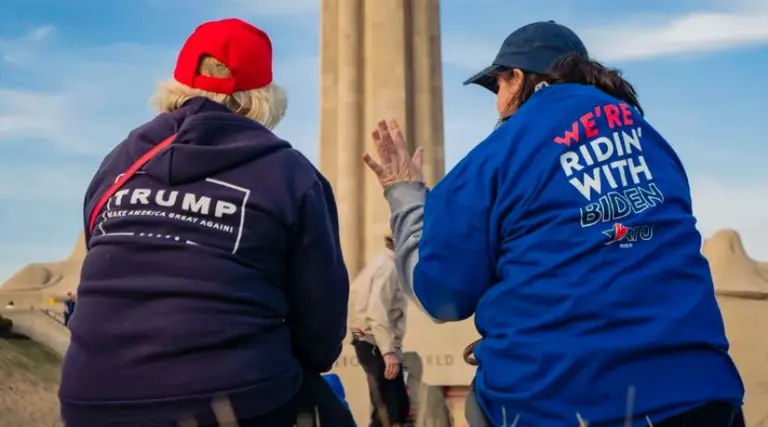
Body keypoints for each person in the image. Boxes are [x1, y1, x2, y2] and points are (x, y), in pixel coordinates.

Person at [362, 20, 744, 427]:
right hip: (705, 396)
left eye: (498, 86)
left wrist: (404, 193)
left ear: (519, 78)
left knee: (480, 405)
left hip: (559, 404)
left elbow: (440, 291)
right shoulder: (653, 142)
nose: (498, 103)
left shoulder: (499, 155)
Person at [59, 18, 353, 427]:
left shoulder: (118, 163)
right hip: (235, 400)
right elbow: (320, 334)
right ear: (263, 98)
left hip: (88, 402)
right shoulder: (290, 174)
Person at [349, 236, 409, 427]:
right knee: (389, 412)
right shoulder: (388, 268)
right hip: (375, 343)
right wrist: (388, 351)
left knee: (395, 408)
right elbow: (377, 312)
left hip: (372, 342)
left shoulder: (383, 264)